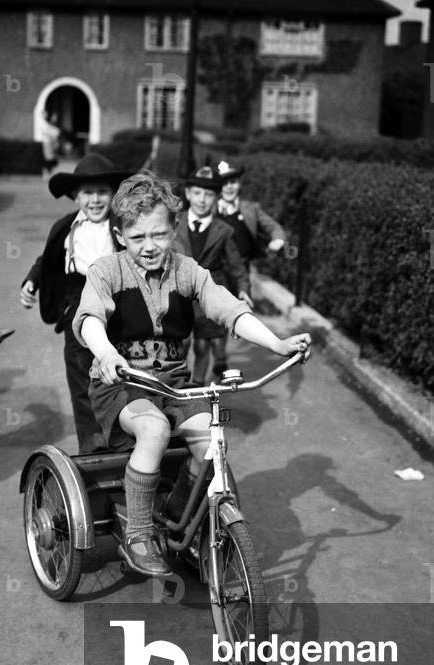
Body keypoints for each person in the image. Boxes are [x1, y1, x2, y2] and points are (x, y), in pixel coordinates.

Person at [73, 171, 312, 576]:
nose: (150, 247)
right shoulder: (106, 271)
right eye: (137, 238)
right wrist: (107, 351)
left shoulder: (188, 272)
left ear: (174, 229)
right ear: (119, 236)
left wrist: (277, 344)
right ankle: (140, 533)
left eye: (160, 235)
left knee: (210, 443)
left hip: (173, 385)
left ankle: (178, 518)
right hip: (121, 385)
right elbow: (90, 318)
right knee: (154, 431)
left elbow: (228, 308)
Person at [20, 152, 132, 453]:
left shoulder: (122, 226)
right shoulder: (67, 228)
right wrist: (32, 280)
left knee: (120, 374)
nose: (94, 200)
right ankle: (93, 448)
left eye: (102, 192)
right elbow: (47, 259)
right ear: (75, 196)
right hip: (76, 308)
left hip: (117, 308)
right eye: (87, 193)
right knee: (82, 380)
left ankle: (125, 442)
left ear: (113, 195)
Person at [173, 165, 253, 384]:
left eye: (208, 195)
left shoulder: (224, 230)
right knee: (182, 341)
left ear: (217, 198)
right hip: (178, 292)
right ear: (188, 194)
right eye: (197, 193)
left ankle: (198, 385)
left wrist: (244, 288)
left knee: (203, 343)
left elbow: (236, 263)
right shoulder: (173, 223)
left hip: (209, 292)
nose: (201, 200)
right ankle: (178, 381)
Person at [214, 159, 287, 275]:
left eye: (233, 182)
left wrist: (277, 240)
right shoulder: (211, 209)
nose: (229, 187)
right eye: (224, 183)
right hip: (218, 270)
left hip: (244, 268)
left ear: (239, 185)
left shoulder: (251, 208)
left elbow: (273, 227)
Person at [39, 111, 61, 179]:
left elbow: (55, 132)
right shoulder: (43, 123)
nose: (46, 115)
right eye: (44, 114)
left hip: (51, 143)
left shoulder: (48, 124)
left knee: (51, 160)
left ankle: (48, 173)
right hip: (47, 143)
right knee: (48, 160)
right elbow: (49, 132)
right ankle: (46, 174)